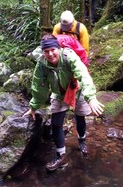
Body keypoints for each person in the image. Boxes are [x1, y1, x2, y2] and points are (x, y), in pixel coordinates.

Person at [22, 35, 104, 171]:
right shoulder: (42, 64)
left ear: (58, 48)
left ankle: (82, 141)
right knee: (56, 123)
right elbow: (38, 86)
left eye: (52, 50)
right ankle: (61, 156)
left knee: (80, 117)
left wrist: (91, 97)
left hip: (77, 90)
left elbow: (83, 74)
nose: (50, 54)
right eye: (46, 51)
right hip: (59, 94)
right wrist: (34, 106)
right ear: (43, 52)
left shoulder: (69, 57)